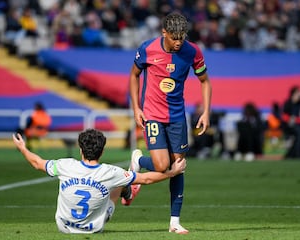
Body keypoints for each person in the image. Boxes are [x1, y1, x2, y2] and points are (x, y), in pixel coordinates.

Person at [128, 12, 212, 234]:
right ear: (163, 32)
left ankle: (174, 222)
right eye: (174, 37)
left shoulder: (192, 51)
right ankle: (139, 160)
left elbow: (205, 81)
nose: (178, 42)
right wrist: (136, 107)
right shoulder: (147, 48)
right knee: (162, 166)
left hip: (176, 116)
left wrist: (205, 112)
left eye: (181, 38)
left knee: (179, 167)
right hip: (152, 114)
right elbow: (134, 75)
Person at [12, 128, 186, 234]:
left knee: (117, 181)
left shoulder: (64, 165)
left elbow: (37, 163)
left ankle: (128, 189)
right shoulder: (110, 172)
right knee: (119, 182)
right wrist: (172, 173)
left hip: (63, 226)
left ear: (80, 149)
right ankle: (129, 191)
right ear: (101, 152)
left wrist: (22, 148)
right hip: (95, 228)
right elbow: (146, 179)